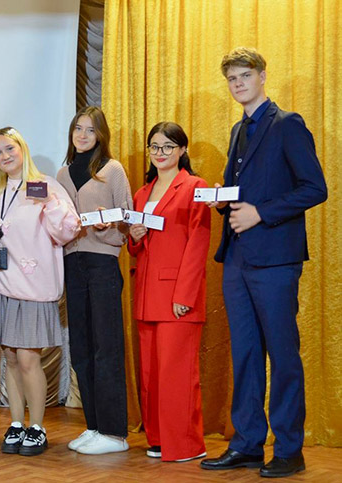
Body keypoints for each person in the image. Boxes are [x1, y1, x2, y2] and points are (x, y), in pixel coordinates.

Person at [200, 47, 327, 478]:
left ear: (262, 77)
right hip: (237, 257)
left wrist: (261, 213)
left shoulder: (287, 124)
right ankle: (248, 444)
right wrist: (224, 200)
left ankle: (290, 449)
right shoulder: (238, 129)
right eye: (232, 79)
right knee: (246, 353)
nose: (238, 84)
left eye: (244, 76)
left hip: (275, 259)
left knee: (283, 354)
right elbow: (244, 190)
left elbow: (315, 188)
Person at [0, 127, 80, 456]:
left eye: (9, 148)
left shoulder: (45, 185)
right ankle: (16, 423)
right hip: (3, 285)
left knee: (28, 359)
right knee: (10, 358)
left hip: (33, 288)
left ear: (22, 148)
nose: (5, 156)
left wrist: (48, 201)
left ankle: (37, 427)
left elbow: (67, 230)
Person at [127, 122, 210, 462]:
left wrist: (185, 297)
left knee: (177, 374)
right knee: (151, 375)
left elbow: (198, 243)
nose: (159, 153)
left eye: (167, 146)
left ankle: (186, 445)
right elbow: (137, 248)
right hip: (146, 294)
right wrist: (134, 237)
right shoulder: (142, 193)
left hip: (178, 296)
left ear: (182, 150)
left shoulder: (195, 187)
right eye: (154, 147)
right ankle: (159, 439)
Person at [56, 106, 133, 455]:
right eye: (78, 129)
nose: (83, 135)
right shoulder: (62, 174)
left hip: (102, 263)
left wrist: (110, 224)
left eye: (90, 130)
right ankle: (94, 426)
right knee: (82, 349)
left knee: (106, 347)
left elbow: (128, 220)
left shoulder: (112, 169)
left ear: (101, 135)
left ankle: (114, 433)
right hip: (72, 263)